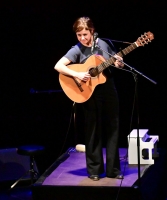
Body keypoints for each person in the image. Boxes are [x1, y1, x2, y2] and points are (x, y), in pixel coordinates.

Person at [54, 16, 124, 181]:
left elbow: (116, 62)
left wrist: (119, 63)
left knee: (113, 127)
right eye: (79, 35)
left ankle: (113, 170)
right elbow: (58, 65)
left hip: (108, 89)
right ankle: (94, 170)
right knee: (93, 129)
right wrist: (77, 73)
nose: (82, 38)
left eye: (85, 34)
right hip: (89, 91)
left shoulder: (104, 44)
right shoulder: (77, 48)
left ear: (92, 31)